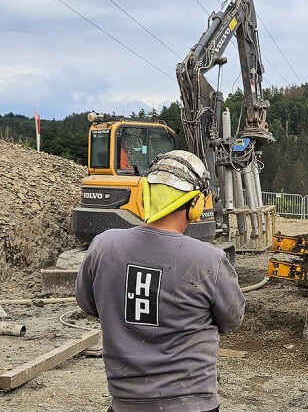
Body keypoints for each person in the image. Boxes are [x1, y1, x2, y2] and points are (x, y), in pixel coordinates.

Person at [75, 150, 245, 412]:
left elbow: (88, 304)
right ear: (196, 203)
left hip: (125, 404)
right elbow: (232, 318)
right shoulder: (209, 260)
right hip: (192, 403)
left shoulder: (103, 246)